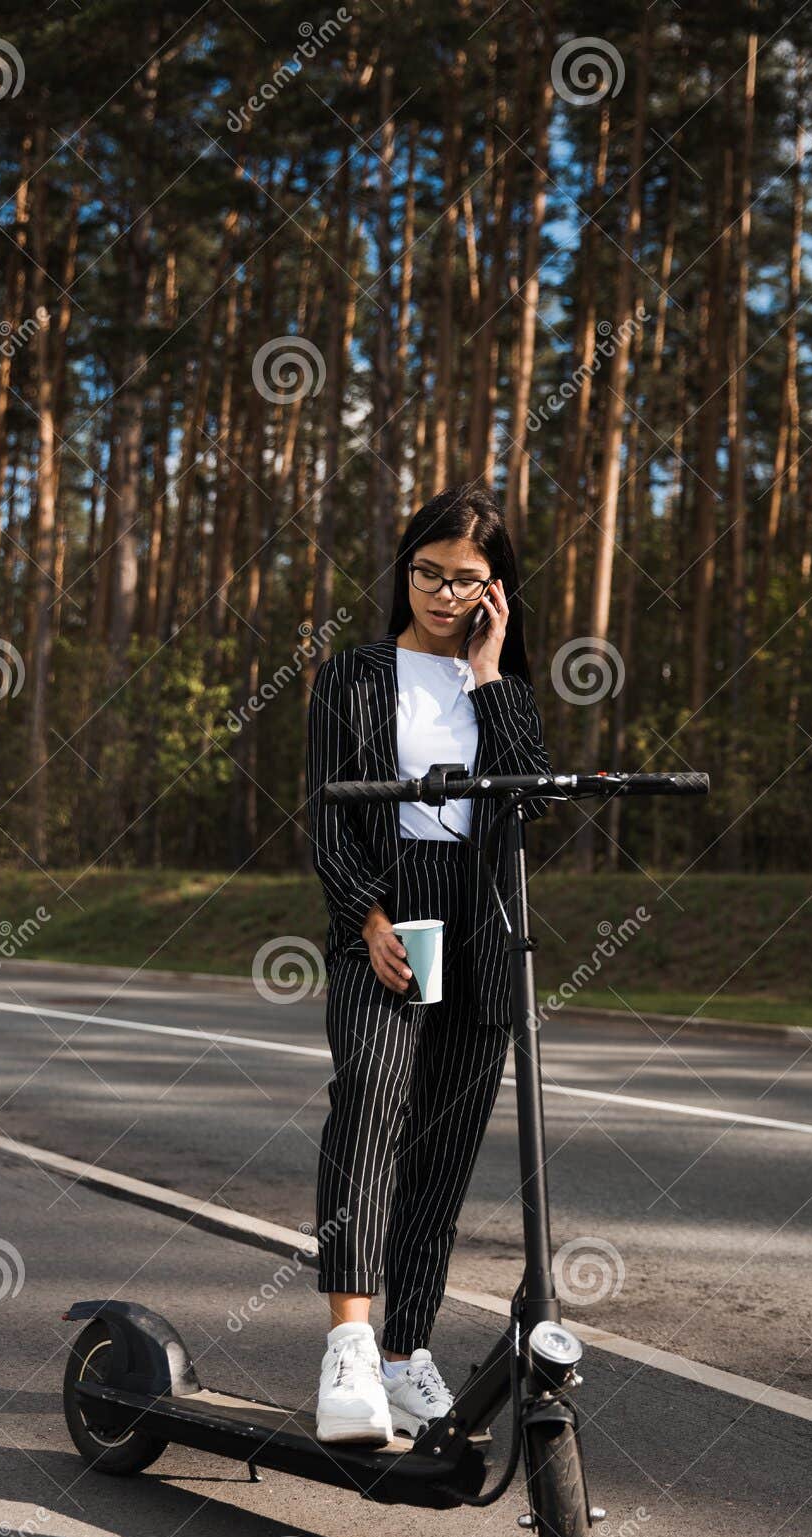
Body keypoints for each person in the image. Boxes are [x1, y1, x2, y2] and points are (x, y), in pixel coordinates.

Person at [305, 483, 552, 1443]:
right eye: (429, 573)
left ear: (497, 592)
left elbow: (525, 802)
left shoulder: (505, 691)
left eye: (468, 582)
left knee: (442, 1149)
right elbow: (328, 816)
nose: (445, 595)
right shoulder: (353, 674)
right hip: (388, 905)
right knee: (369, 1103)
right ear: (404, 568)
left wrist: (488, 676)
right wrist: (366, 919)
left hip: (479, 921)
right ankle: (352, 1352)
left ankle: (408, 1354)